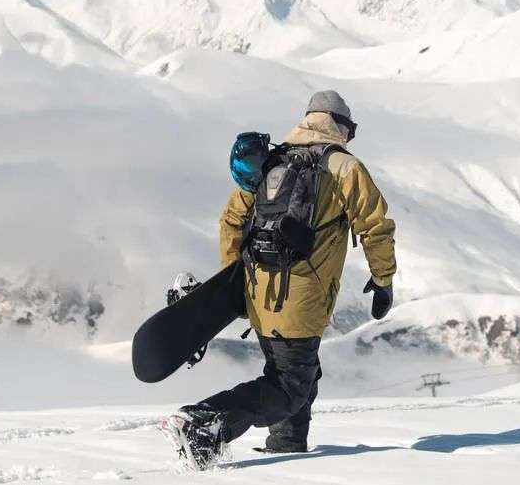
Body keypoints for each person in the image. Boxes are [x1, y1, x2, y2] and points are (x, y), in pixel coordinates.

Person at [161, 90, 397, 468]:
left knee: (299, 374)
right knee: (288, 388)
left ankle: (287, 449)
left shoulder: (270, 162)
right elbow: (375, 227)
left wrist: (233, 280)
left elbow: (231, 220)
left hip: (259, 295)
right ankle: (203, 423)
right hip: (300, 300)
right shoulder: (343, 167)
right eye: (350, 130)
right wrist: (383, 280)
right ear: (341, 126)